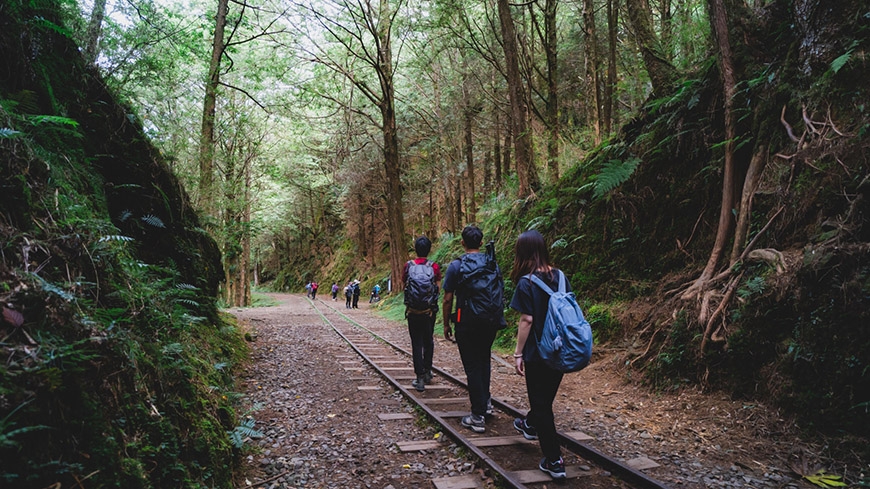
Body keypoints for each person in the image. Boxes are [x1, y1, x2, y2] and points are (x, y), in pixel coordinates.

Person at [508, 229, 571, 479]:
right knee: (544, 400)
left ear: (522, 253)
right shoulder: (562, 276)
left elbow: (527, 320)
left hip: (537, 353)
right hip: (562, 349)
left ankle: (554, 460)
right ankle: (531, 424)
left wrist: (517, 353)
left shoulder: (527, 282)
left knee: (541, 404)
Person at [442, 225, 503, 433]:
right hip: (491, 320)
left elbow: (448, 298)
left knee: (472, 367)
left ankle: (477, 416)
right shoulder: (492, 263)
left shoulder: (456, 266)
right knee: (484, 360)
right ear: (480, 242)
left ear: (462, 243)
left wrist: (445, 323)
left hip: (466, 321)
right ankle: (485, 404)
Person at [403, 236, 441, 392]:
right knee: (428, 340)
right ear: (429, 249)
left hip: (413, 311)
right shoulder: (434, 267)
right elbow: (438, 288)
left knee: (416, 343)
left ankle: (419, 378)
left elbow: (403, 285)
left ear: (415, 249)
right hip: (429, 312)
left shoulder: (408, 266)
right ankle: (427, 372)